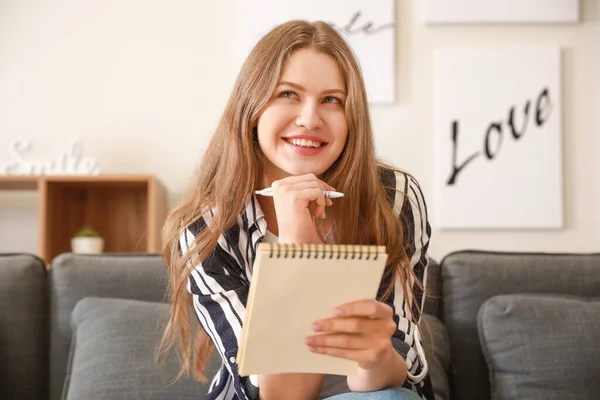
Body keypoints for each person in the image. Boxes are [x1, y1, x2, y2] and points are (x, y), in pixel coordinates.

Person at [159, 20, 433, 400]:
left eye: (331, 100)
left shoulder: (394, 199)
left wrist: (374, 356)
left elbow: (399, 371)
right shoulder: (205, 228)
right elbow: (282, 395)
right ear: (251, 106)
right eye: (288, 94)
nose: (309, 118)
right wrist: (297, 248)